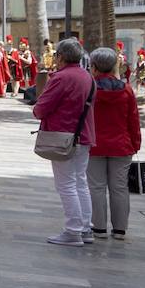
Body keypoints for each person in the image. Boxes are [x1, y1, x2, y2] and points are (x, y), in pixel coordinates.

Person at [33, 38, 96, 247]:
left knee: (67, 184)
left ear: (60, 56)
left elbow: (41, 108)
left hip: (64, 137)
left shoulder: (61, 78)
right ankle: (86, 228)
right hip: (83, 135)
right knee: (80, 182)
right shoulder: (87, 76)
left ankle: (73, 230)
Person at [87, 47, 141, 240]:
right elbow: (133, 119)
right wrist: (136, 143)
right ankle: (120, 229)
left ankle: (98, 227)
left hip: (94, 144)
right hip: (121, 144)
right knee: (119, 187)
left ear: (93, 67)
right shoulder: (126, 89)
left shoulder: (89, 88)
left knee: (96, 187)